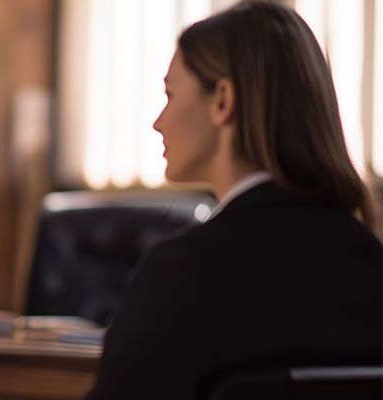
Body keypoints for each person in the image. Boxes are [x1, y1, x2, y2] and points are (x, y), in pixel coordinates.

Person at [87, 1, 382, 399]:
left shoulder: (185, 272)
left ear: (223, 100)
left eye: (170, 95)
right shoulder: (370, 262)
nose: (158, 121)